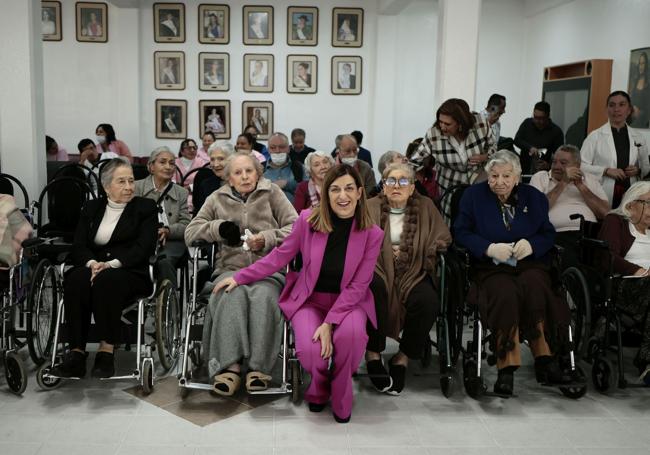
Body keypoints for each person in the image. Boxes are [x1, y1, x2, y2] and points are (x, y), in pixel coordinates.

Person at [213, 164, 383, 423]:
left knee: (351, 337)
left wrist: (330, 323)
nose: (342, 196)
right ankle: (319, 388)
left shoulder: (373, 233)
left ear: (360, 192)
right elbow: (280, 256)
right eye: (335, 189)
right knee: (310, 351)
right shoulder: (307, 220)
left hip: (348, 303)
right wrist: (239, 277)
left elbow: (359, 286)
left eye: (349, 188)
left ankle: (341, 391)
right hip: (310, 300)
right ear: (326, 194)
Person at [454, 150, 574, 396]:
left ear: (518, 177)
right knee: (505, 292)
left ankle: (545, 359)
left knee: (537, 286)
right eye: (494, 176)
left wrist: (532, 245)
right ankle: (506, 368)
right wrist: (488, 248)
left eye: (506, 176)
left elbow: (547, 233)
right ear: (487, 176)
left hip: (529, 263)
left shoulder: (534, 197)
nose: (500, 181)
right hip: (491, 267)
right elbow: (461, 232)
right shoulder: (473, 196)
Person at [184, 152, 298, 396]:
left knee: (263, 298)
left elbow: (296, 227)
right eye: (238, 173)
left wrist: (267, 238)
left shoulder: (272, 194)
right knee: (229, 295)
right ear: (229, 179)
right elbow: (191, 232)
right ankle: (230, 367)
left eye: (249, 171)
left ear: (258, 173)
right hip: (230, 269)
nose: (245, 176)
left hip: (267, 270)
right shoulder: (217, 198)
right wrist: (219, 229)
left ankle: (258, 368)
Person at [49, 158, 158, 379]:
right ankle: (76, 353)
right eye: (121, 182)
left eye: (131, 181)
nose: (129, 186)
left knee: (108, 281)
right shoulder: (91, 208)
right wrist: (92, 263)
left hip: (130, 270)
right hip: (94, 266)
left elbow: (142, 248)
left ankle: (106, 351)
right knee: (75, 280)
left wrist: (109, 264)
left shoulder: (145, 208)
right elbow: (78, 245)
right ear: (107, 186)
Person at [365, 163, 451, 395]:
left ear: (412, 187)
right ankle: (373, 353)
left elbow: (441, 237)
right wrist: (384, 251)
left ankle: (402, 358)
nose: (396, 186)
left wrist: (419, 251)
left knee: (427, 301)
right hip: (377, 266)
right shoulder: (369, 207)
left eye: (403, 181)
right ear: (383, 186)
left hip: (414, 269)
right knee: (373, 290)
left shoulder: (426, 207)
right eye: (390, 181)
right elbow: (357, 238)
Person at [597, 181, 650, 382]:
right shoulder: (616, 221)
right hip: (624, 286)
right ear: (630, 205)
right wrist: (638, 270)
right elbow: (608, 256)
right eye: (649, 203)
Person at [409, 98, 496, 220]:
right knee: (451, 223)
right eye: (440, 122)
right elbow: (415, 161)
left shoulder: (481, 124)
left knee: (477, 220)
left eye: (447, 124)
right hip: (449, 186)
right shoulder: (434, 135)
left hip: (478, 184)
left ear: (461, 123)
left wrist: (485, 157)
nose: (442, 127)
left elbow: (493, 146)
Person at [530, 145, 609, 268]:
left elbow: (605, 213)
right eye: (554, 162)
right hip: (557, 234)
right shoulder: (540, 178)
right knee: (572, 261)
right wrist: (563, 183)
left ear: (577, 166)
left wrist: (581, 186)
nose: (556, 166)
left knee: (605, 258)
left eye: (563, 163)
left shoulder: (591, 180)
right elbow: (536, 210)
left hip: (588, 235)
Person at [581, 91, 650, 208]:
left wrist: (638, 171)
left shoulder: (638, 137)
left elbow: (647, 167)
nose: (616, 109)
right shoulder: (595, 136)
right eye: (612, 105)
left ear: (629, 110)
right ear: (607, 110)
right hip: (602, 193)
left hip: (631, 192)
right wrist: (605, 170)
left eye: (621, 105)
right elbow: (581, 166)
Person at [135, 147, 190, 291]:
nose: (168, 167)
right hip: (141, 241)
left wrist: (168, 230)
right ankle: (138, 303)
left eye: (172, 163)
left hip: (171, 242)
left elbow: (186, 224)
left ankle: (168, 306)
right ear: (151, 166)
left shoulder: (181, 193)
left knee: (164, 261)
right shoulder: (136, 188)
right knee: (133, 259)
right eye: (163, 162)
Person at [514, 101, 564, 174]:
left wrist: (549, 165)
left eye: (541, 118)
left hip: (543, 171)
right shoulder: (527, 123)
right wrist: (530, 148)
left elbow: (560, 155)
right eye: (535, 117)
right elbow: (517, 140)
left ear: (548, 116)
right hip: (524, 169)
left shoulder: (556, 131)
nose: (537, 121)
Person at [193, 141, 234, 214]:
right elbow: (200, 214)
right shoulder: (206, 185)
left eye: (221, 159)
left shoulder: (243, 182)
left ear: (232, 160)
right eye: (212, 159)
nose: (215, 164)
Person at [263, 132, 303, 203]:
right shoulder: (261, 169)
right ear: (268, 150)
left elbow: (307, 189)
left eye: (282, 147)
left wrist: (287, 184)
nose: (277, 151)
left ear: (288, 148)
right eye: (273, 148)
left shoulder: (299, 167)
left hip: (294, 212)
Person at [175, 138, 208, 211]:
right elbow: (172, 180)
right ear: (182, 151)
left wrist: (190, 187)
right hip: (178, 192)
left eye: (194, 148)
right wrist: (180, 189)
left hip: (196, 193)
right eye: (189, 148)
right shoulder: (175, 163)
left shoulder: (201, 162)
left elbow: (203, 181)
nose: (192, 150)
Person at [630, 51, 650, 129]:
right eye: (640, 63)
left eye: (643, 63)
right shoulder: (635, 81)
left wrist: (640, 113)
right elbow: (631, 100)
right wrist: (633, 108)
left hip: (643, 123)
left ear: (646, 65)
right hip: (633, 119)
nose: (641, 66)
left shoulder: (648, 84)